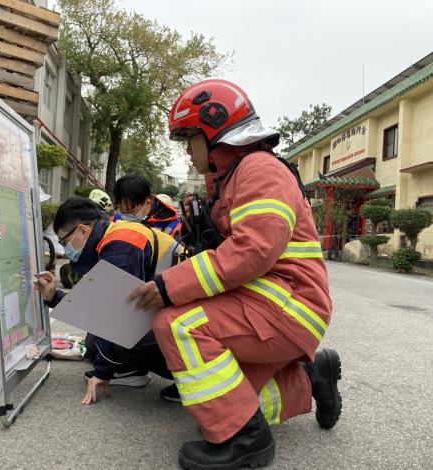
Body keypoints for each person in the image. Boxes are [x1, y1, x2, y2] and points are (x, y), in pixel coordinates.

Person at [129, 79, 342, 469]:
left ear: (214, 132)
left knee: (178, 325)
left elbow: (253, 249)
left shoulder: (260, 169)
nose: (188, 150)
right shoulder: (233, 180)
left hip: (288, 302)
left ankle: (245, 441)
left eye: (189, 139)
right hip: (275, 302)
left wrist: (169, 286)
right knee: (229, 398)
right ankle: (313, 379)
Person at [35, 197, 182, 403]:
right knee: (94, 343)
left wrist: (103, 372)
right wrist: (53, 296)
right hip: (173, 311)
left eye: (64, 241)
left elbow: (117, 313)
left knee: (123, 337)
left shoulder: (122, 244)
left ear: (83, 231)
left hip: (186, 323)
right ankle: (131, 370)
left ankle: (189, 379)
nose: (65, 248)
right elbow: (99, 303)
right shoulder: (111, 237)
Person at [113, 175, 183, 240]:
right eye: (122, 212)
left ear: (148, 203)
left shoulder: (172, 226)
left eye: (130, 212)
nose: (126, 217)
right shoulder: (114, 220)